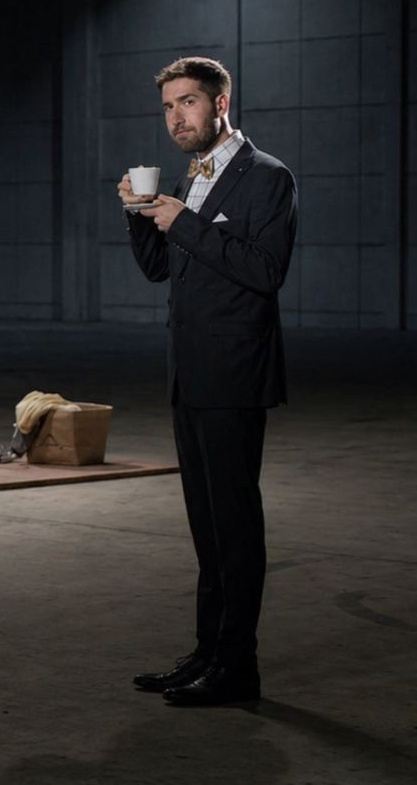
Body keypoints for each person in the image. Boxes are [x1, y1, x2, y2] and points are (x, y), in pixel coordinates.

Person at [117, 56, 298, 706]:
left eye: (188, 102)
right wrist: (141, 214)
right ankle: (206, 653)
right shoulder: (193, 178)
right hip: (189, 376)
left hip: (234, 375)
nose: (176, 117)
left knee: (235, 525)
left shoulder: (266, 177)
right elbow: (161, 271)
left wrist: (182, 223)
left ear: (222, 103)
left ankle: (238, 667)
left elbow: (264, 270)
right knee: (206, 527)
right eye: (168, 107)